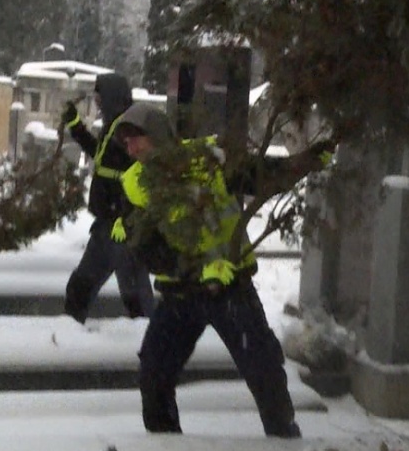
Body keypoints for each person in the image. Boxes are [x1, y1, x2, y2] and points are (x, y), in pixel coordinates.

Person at [112, 102, 301, 438]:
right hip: (180, 295)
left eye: (135, 138)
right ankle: (164, 443)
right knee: (154, 374)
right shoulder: (134, 183)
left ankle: (284, 439)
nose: (131, 148)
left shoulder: (205, 159)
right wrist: (196, 269)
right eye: (126, 143)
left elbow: (259, 175)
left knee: (264, 370)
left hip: (232, 288)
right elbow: (147, 249)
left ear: (156, 134)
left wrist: (311, 159)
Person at [61, 73, 155, 323]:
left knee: (137, 299)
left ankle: (152, 343)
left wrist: (128, 218)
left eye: (100, 99)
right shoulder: (113, 126)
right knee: (80, 288)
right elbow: (100, 158)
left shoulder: (128, 130)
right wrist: (76, 126)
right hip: (105, 226)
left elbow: (138, 174)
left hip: (123, 231)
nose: (98, 104)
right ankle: (68, 333)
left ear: (112, 98)